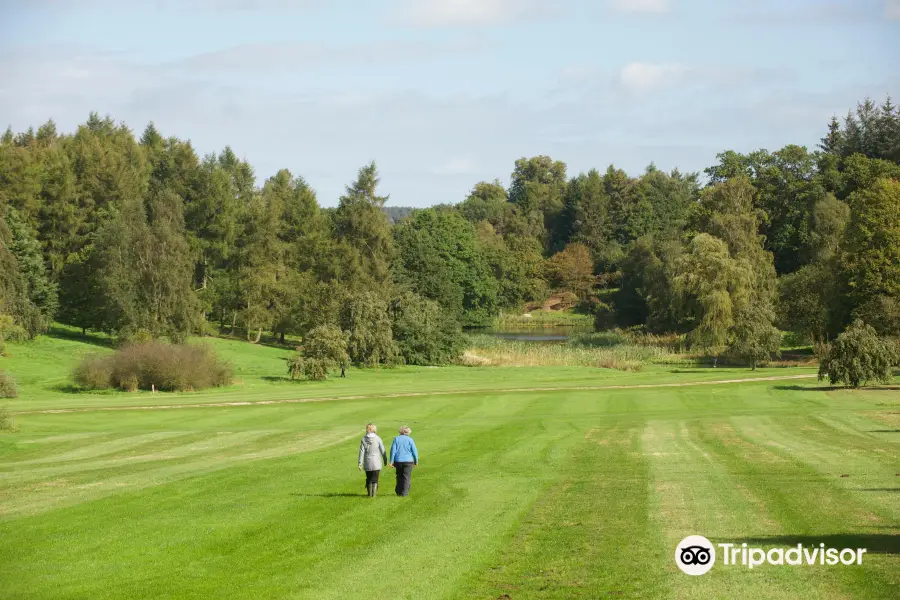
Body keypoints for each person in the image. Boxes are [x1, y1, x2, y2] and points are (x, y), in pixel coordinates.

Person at [358, 423, 387, 497]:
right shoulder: (378, 438)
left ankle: (369, 494)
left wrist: (360, 463)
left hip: (367, 461)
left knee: (369, 477)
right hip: (376, 462)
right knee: (375, 478)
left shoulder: (364, 439)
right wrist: (385, 459)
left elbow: (361, 452)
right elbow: (382, 450)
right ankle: (373, 495)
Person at [389, 426, 419, 497]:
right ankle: (404, 493)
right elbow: (414, 452)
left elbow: (392, 451)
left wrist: (391, 461)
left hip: (398, 461)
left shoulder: (396, 439)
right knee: (406, 477)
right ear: (408, 432)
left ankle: (399, 491)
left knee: (399, 476)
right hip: (408, 461)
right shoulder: (410, 440)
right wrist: (416, 461)